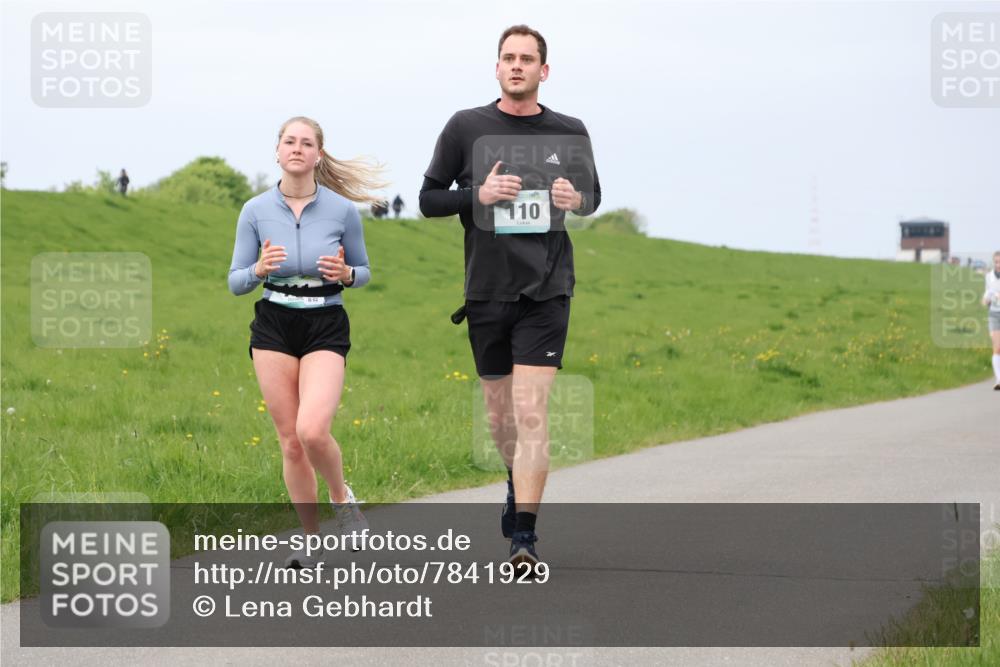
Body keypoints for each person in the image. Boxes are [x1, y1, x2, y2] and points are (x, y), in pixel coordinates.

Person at [419, 25, 601, 571]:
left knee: (532, 413)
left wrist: (577, 197)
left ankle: (525, 537)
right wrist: (478, 194)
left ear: (544, 71)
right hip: (487, 290)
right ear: (496, 68)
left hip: (547, 290)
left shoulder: (570, 132)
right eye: (508, 58)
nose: (517, 66)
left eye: (527, 59)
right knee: (502, 419)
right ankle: (513, 482)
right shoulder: (465, 126)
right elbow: (429, 199)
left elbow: (592, 197)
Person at [228, 116, 386, 568]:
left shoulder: (341, 211)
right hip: (274, 323)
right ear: (277, 151)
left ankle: (343, 501)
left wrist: (348, 275)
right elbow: (235, 281)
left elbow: (364, 271)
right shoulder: (254, 211)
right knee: (290, 441)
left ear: (318, 154)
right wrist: (258, 271)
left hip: (325, 322)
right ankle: (310, 537)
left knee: (312, 430)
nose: (297, 149)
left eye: (307, 143)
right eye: (289, 142)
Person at [982, 250, 1000, 391]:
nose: (998, 264)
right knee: (997, 347)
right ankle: (999, 379)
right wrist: (986, 299)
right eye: (996, 262)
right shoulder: (989, 277)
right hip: (994, 315)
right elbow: (987, 294)